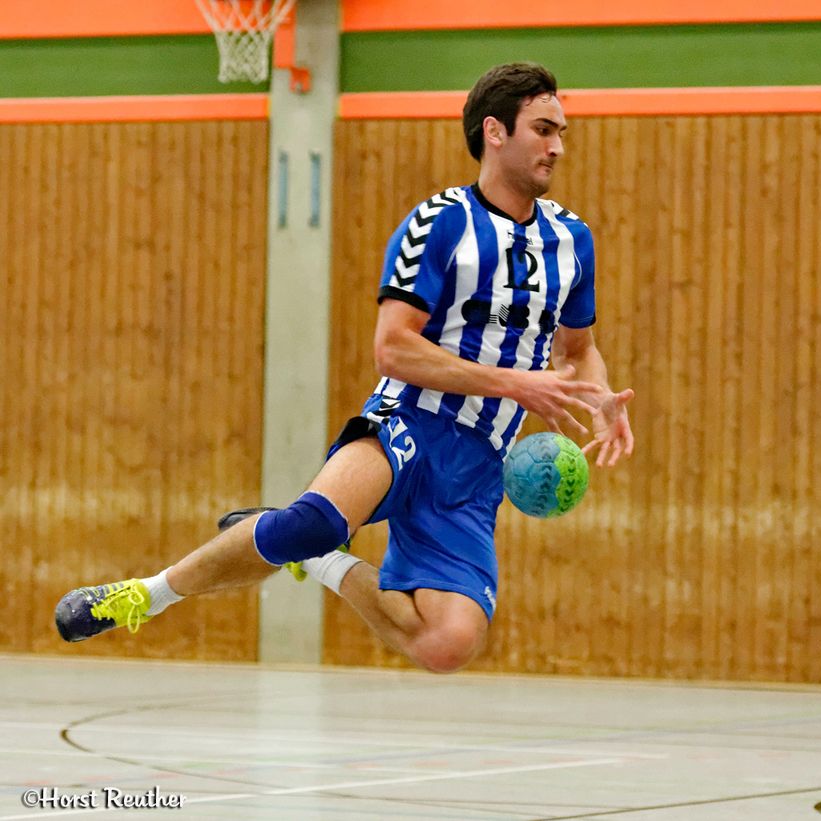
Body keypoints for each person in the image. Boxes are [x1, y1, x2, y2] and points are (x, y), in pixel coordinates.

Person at [54, 62, 634, 673]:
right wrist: (513, 383)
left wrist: (599, 399)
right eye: (543, 129)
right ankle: (145, 593)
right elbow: (393, 348)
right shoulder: (439, 223)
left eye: (562, 131)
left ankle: (327, 562)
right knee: (309, 522)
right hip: (410, 421)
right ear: (494, 131)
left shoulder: (573, 239)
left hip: (479, 465)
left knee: (446, 644)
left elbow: (577, 348)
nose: (558, 146)